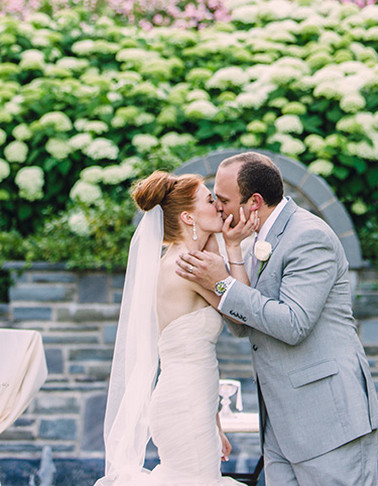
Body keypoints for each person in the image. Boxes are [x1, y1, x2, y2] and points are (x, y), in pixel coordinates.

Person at [175, 151, 378, 486]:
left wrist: (223, 283)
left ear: (254, 201)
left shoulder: (309, 236)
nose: (219, 208)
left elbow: (292, 324)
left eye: (225, 200)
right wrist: (229, 257)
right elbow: (244, 325)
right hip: (280, 427)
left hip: (328, 423)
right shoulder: (258, 239)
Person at [96, 170, 258, 486]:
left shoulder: (185, 258)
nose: (219, 207)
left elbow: (191, 358)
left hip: (191, 401)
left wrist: (215, 424)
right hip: (185, 405)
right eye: (210, 201)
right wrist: (234, 248)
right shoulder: (188, 267)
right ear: (187, 216)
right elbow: (243, 313)